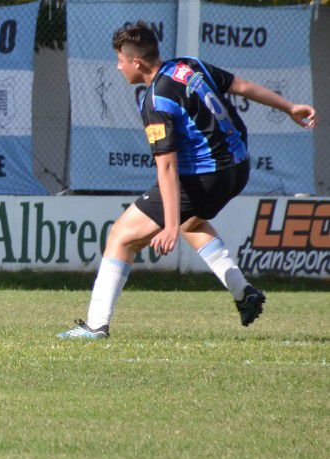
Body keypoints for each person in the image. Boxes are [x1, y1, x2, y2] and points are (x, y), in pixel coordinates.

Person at [59, 21, 317, 339]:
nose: (118, 66)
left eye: (120, 60)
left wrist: (167, 225)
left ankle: (96, 325)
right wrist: (289, 106)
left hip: (206, 176)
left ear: (136, 62)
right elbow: (242, 85)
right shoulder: (188, 66)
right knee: (191, 224)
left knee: (121, 236)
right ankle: (243, 291)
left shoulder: (155, 100)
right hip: (238, 169)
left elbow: (167, 168)